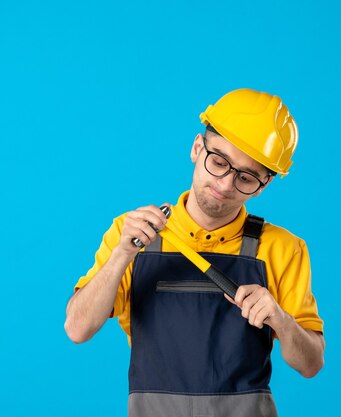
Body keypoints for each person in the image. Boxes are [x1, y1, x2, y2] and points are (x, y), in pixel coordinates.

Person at [64, 88, 325, 417]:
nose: (226, 184)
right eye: (219, 162)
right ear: (197, 148)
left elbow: (311, 364)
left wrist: (281, 321)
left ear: (264, 184)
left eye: (246, 177)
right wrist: (121, 256)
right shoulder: (132, 233)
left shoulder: (283, 248)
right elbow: (77, 329)